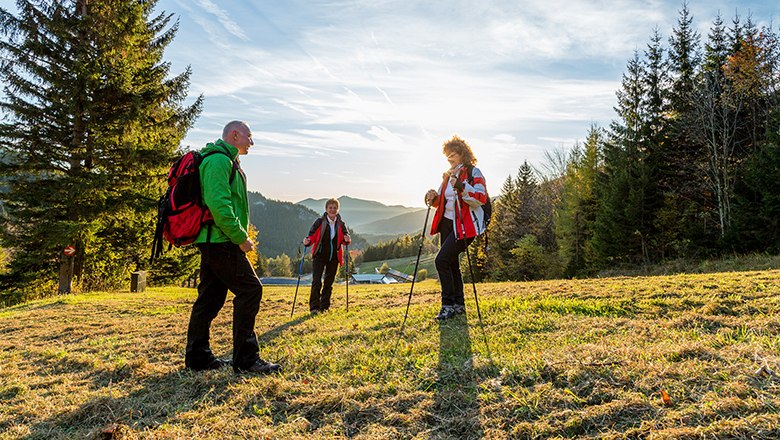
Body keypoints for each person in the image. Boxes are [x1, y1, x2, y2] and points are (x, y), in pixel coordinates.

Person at [184, 120, 281, 374]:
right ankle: (246, 360)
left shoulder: (226, 161)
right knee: (251, 291)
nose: (251, 142)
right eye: (249, 136)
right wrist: (240, 237)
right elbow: (219, 205)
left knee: (209, 298)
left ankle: (198, 357)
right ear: (235, 135)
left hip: (214, 240)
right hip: (221, 240)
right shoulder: (218, 161)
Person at [424, 135, 488, 320]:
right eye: (447, 156)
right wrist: (432, 197)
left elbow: (480, 198)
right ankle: (458, 305)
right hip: (447, 223)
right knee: (451, 263)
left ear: (462, 154)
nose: (450, 159)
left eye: (453, 155)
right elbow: (442, 202)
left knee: (441, 260)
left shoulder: (474, 172)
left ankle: (448, 306)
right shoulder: (447, 176)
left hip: (466, 225)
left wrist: (461, 186)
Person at [302, 198, 352, 313]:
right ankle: (314, 307)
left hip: (334, 257)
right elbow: (312, 236)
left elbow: (345, 238)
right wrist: (308, 241)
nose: (332, 210)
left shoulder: (341, 224)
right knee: (316, 281)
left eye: (335, 208)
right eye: (330, 207)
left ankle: (324, 307)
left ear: (337, 209)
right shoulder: (320, 222)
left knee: (328, 283)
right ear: (326, 209)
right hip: (319, 256)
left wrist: (347, 239)